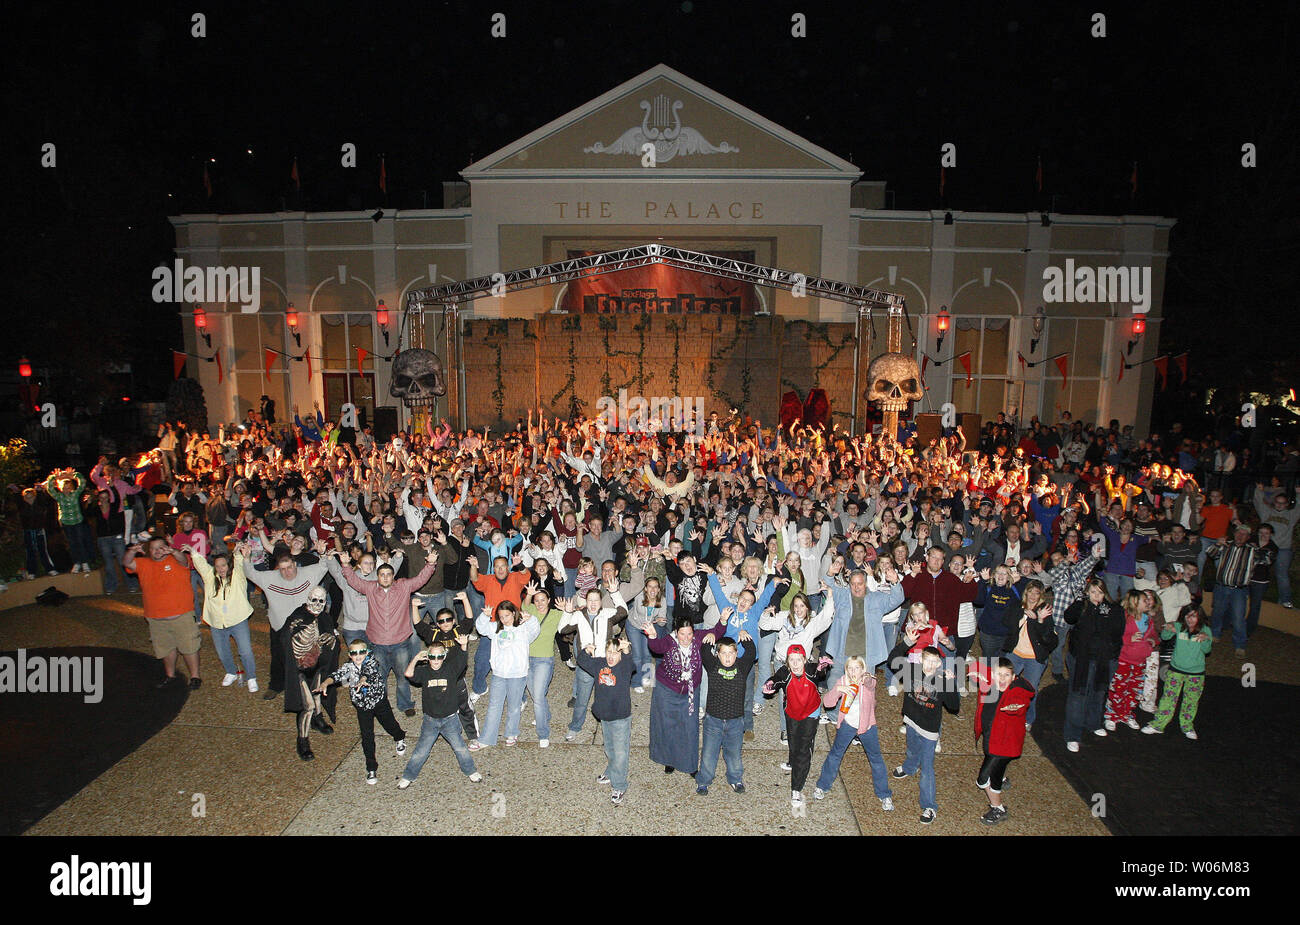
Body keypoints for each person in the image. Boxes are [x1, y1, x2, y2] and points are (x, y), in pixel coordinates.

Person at [336, 548, 439, 717]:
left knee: (402, 677)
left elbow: (420, 579)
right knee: (379, 677)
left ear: (393, 576)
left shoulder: (403, 586)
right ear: (377, 577)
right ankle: (380, 705)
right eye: (382, 574)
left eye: (388, 574)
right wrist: (346, 565)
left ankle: (406, 704)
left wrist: (431, 563)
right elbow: (354, 581)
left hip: (400, 642)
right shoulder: (370, 588)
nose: (385, 577)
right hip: (377, 643)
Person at [888, 640, 959, 825]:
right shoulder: (912, 670)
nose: (931, 665)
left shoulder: (942, 680)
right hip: (911, 722)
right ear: (921, 659)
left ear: (939, 664)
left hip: (929, 731)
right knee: (911, 750)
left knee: (927, 768)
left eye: (935, 662)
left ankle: (929, 806)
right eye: (928, 660)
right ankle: (910, 768)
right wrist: (906, 643)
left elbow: (954, 706)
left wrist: (951, 684)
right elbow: (892, 660)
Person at [318, 638, 408, 784]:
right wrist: (325, 683)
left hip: (379, 702)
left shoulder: (372, 661)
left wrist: (362, 679)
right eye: (354, 653)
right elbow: (336, 675)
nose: (358, 655)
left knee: (390, 724)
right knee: (367, 736)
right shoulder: (348, 667)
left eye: (361, 652)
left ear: (366, 653)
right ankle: (371, 768)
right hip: (362, 707)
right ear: (350, 655)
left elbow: (369, 671)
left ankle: (399, 737)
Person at [812, 656, 893, 812]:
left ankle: (884, 794)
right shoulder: (843, 681)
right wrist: (837, 690)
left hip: (867, 726)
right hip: (848, 724)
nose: (853, 671)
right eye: (850, 668)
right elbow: (828, 703)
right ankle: (822, 786)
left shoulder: (868, 681)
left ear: (863, 669)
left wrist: (866, 678)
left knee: (876, 758)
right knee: (835, 754)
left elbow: (871, 683)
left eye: (857, 668)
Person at [398, 641, 482, 787]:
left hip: (450, 719)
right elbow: (408, 673)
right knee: (421, 751)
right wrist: (417, 657)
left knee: (460, 748)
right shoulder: (424, 671)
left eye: (439, 656)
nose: (436, 660)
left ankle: (471, 771)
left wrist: (463, 645)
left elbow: (462, 659)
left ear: (444, 656)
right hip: (430, 720)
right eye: (432, 656)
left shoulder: (451, 669)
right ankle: (408, 776)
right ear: (427, 657)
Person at [123, 537, 202, 689]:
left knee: (189, 647)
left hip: (182, 614)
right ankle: (170, 675)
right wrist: (131, 551)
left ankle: (195, 676)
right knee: (165, 647)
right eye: (153, 548)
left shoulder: (177, 560)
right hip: (155, 617)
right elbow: (127, 563)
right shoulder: (143, 563)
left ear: (167, 548)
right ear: (148, 551)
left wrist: (173, 550)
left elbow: (184, 559)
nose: (157, 550)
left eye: (161, 547)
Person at [967, 656, 1035, 826]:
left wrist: (1015, 705)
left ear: (1014, 678)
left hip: (1003, 746)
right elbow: (972, 667)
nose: (1002, 679)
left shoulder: (1016, 693)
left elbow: (1021, 699)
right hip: (992, 739)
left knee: (984, 779)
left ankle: (998, 808)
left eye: (1007, 675)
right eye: (999, 675)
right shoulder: (991, 684)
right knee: (996, 769)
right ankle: (1002, 777)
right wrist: (984, 674)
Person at [763, 643, 832, 807]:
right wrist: (769, 685)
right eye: (791, 660)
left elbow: (820, 672)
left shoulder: (811, 670)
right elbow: (774, 680)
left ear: (805, 660)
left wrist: (823, 667)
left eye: (798, 660)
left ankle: (796, 789)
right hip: (792, 712)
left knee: (803, 750)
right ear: (787, 661)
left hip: (811, 713)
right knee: (793, 743)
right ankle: (792, 761)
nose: (795, 664)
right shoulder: (785, 672)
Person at [1061, 578, 1124, 752]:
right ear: (1087, 592)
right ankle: (1072, 734)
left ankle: (1093, 723)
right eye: (1093, 592)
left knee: (1098, 692)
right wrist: (1081, 601)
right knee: (1078, 695)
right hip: (1082, 659)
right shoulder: (1082, 606)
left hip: (1104, 660)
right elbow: (1069, 617)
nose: (1097, 596)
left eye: (1100, 592)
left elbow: (1117, 632)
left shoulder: (1113, 610)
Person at [186, 541, 258, 691]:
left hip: (238, 620)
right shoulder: (210, 578)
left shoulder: (238, 577)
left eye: (223, 565)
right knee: (222, 650)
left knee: (245, 650)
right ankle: (231, 672)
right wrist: (193, 552)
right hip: (217, 623)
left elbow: (239, 564)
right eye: (217, 566)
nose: (220, 569)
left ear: (228, 565)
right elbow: (201, 564)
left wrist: (238, 553)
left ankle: (251, 677)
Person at [576, 634, 636, 805]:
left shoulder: (624, 667)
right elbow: (583, 661)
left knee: (620, 752)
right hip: (604, 715)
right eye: (609, 652)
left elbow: (631, 663)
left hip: (620, 718)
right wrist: (586, 651)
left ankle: (619, 785)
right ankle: (611, 771)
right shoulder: (600, 664)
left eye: (615, 653)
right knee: (610, 748)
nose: (611, 656)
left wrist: (625, 650)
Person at [472, 600, 540, 748]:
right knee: (494, 706)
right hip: (499, 673)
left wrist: (531, 619)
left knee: (514, 706)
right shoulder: (495, 628)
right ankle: (486, 738)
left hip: (518, 674)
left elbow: (535, 631)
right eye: (501, 616)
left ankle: (512, 732)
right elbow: (481, 628)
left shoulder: (523, 629)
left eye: (507, 616)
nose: (504, 619)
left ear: (514, 614)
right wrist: (485, 616)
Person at [696, 631, 757, 795]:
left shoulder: (742, 667)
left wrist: (746, 638)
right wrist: (709, 639)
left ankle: (736, 779)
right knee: (709, 753)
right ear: (717, 655)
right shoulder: (713, 666)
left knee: (734, 754)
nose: (728, 657)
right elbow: (704, 651)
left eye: (731, 653)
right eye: (724, 653)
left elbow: (751, 652)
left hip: (735, 721)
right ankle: (704, 781)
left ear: (737, 654)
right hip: (713, 720)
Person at [646, 618, 708, 777]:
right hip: (666, 690)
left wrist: (722, 622)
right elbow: (657, 648)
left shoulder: (699, 638)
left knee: (690, 728)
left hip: (689, 692)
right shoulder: (669, 641)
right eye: (682, 633)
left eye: (689, 634)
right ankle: (669, 760)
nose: (686, 638)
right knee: (667, 726)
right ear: (676, 632)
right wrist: (652, 636)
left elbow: (717, 632)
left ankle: (690, 764)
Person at [282, 587, 339, 760]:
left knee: (317, 695)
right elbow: (284, 640)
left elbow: (330, 638)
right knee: (307, 706)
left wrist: (331, 640)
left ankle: (318, 719)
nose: (317, 604)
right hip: (299, 669)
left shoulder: (324, 617)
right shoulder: (297, 618)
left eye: (321, 601)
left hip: (317, 666)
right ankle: (302, 740)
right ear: (308, 600)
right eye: (314, 600)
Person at [1142, 604, 1213, 739]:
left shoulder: (1205, 630)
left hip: (1196, 674)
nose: (1190, 619)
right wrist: (1168, 629)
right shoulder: (1179, 626)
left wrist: (1205, 640)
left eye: (1194, 616)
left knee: (1191, 701)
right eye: (1187, 616)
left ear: (1200, 617)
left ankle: (1187, 726)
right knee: (1168, 698)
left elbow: (1207, 650)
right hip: (1176, 670)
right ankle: (1158, 724)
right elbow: (1165, 637)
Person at [45, 468, 94, 575]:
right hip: (66, 523)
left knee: (80, 542)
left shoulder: (75, 495)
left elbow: (82, 483)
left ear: (71, 488)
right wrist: (54, 477)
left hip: (77, 521)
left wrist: (74, 475)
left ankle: (85, 562)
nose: (66, 490)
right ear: (61, 489)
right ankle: (77, 563)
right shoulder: (59, 497)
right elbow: (49, 489)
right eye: (64, 488)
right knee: (72, 543)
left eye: (68, 488)